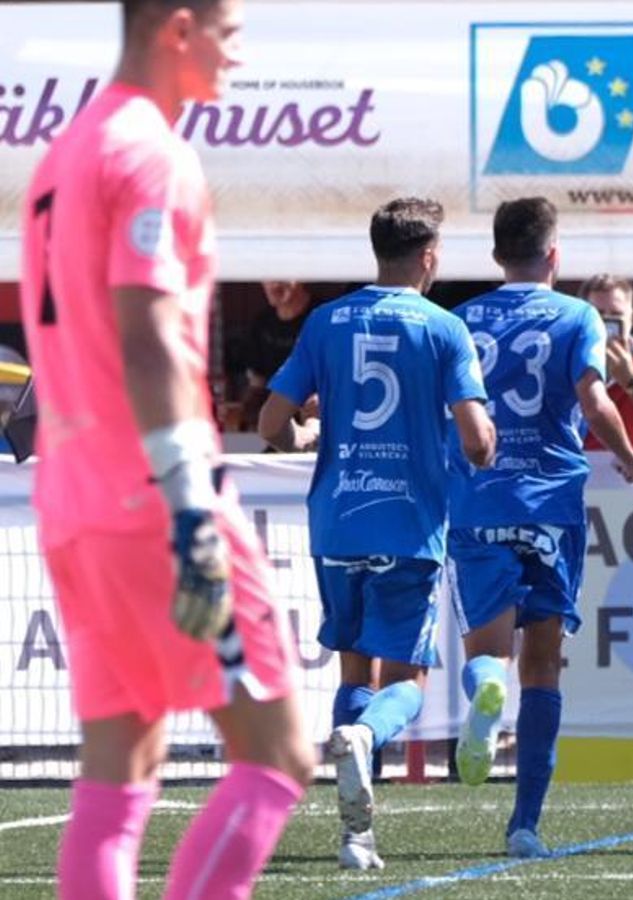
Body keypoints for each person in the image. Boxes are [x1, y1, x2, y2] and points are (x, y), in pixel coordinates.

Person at [19, 2, 315, 897]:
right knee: (278, 754)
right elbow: (146, 340)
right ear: (179, 28)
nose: (240, 50)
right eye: (230, 30)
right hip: (154, 497)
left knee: (122, 762)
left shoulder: (65, 155)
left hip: (75, 500)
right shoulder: (151, 153)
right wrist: (191, 508)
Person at [258, 197, 495, 869]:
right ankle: (363, 739)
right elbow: (477, 441)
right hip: (409, 525)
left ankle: (356, 835)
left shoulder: (325, 322)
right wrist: (485, 445)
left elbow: (273, 424)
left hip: (337, 521)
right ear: (428, 256)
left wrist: (307, 433)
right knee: (410, 683)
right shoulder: (444, 328)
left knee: (354, 664)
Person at [446, 198, 633, 858]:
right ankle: (524, 825)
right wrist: (627, 452)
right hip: (552, 502)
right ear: (553, 255)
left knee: (487, 651)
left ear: (497, 255)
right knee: (544, 666)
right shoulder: (578, 315)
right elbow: (594, 399)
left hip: (480, 500)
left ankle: (483, 693)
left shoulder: (463, 319)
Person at [580, 274, 633, 451]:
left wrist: (632, 379)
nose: (607, 322)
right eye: (598, 315)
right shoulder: (571, 356)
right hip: (588, 462)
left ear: (630, 316)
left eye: (616, 314)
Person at [239, 279, 315, 429]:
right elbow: (257, 382)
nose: (273, 284)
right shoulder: (261, 323)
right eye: (267, 277)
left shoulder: (321, 317)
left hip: (316, 415)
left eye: (281, 275)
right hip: (276, 420)